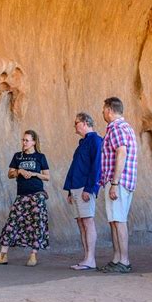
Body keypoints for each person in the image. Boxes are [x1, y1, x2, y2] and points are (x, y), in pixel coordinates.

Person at [0, 130, 50, 267]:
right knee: (12, 223)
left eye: (27, 140)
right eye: (23, 140)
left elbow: (47, 176)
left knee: (36, 223)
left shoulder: (40, 157)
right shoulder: (18, 156)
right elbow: (10, 174)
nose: (24, 142)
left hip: (37, 194)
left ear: (34, 142)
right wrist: (19, 171)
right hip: (21, 194)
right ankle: (2, 255)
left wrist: (34, 174)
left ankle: (33, 255)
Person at [98, 97, 138, 274]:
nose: (102, 113)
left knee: (119, 221)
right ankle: (117, 258)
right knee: (114, 220)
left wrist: (114, 182)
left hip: (118, 182)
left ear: (109, 110)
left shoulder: (116, 128)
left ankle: (124, 260)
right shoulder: (125, 127)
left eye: (103, 109)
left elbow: (121, 153)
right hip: (120, 181)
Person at [63, 112, 102, 270]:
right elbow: (76, 167)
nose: (75, 126)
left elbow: (97, 167)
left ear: (85, 123)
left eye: (76, 123)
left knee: (88, 221)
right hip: (76, 187)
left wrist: (90, 188)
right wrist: (70, 191)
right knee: (80, 222)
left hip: (85, 188)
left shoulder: (95, 140)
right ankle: (86, 257)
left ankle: (90, 259)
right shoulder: (83, 143)